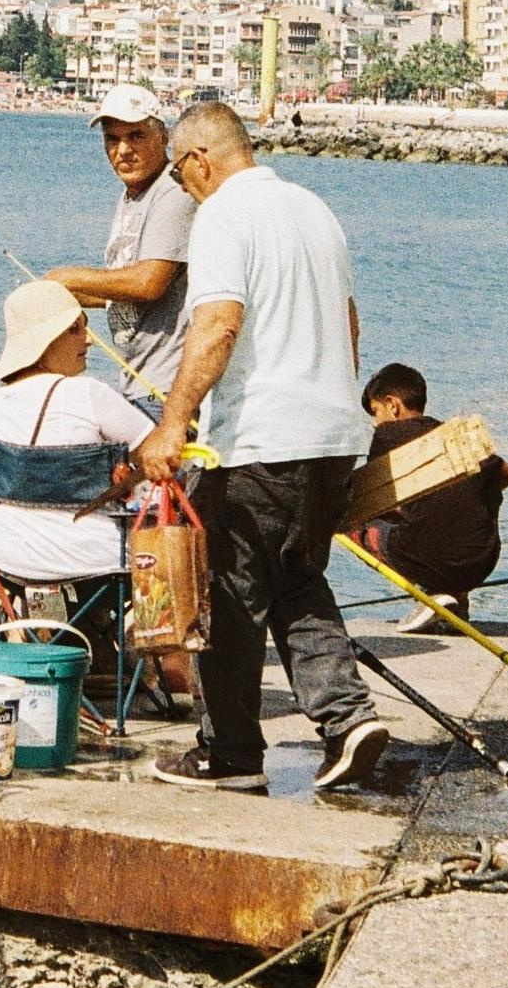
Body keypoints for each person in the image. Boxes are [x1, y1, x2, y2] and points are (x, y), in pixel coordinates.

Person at [132, 99, 387, 797]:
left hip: (262, 439)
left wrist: (171, 423)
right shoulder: (314, 209)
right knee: (296, 581)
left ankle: (231, 753)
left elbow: (215, 326)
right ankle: (347, 719)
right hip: (331, 436)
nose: (184, 192)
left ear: (197, 161)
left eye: (181, 179)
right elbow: (348, 322)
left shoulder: (220, 215)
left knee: (228, 595)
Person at [0, 276, 158, 714]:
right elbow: (161, 457)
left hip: (6, 560)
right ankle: (158, 668)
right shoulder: (90, 394)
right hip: (94, 561)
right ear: (48, 341)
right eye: (76, 328)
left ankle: (63, 643)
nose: (89, 340)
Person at [44, 85, 193, 390]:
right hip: (137, 381)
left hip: (169, 386)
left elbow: (148, 283)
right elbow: (123, 292)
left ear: (163, 137)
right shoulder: (133, 194)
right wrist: (55, 292)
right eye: (112, 139)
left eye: (136, 136)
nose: (123, 150)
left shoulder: (174, 192)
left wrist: (67, 278)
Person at [354, 363, 508, 611]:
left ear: (392, 405)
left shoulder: (386, 436)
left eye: (376, 412)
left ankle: (433, 592)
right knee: (451, 512)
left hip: (427, 561)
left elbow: (369, 498)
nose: (375, 423)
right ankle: (455, 598)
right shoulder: (454, 436)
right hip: (481, 561)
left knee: (351, 520)